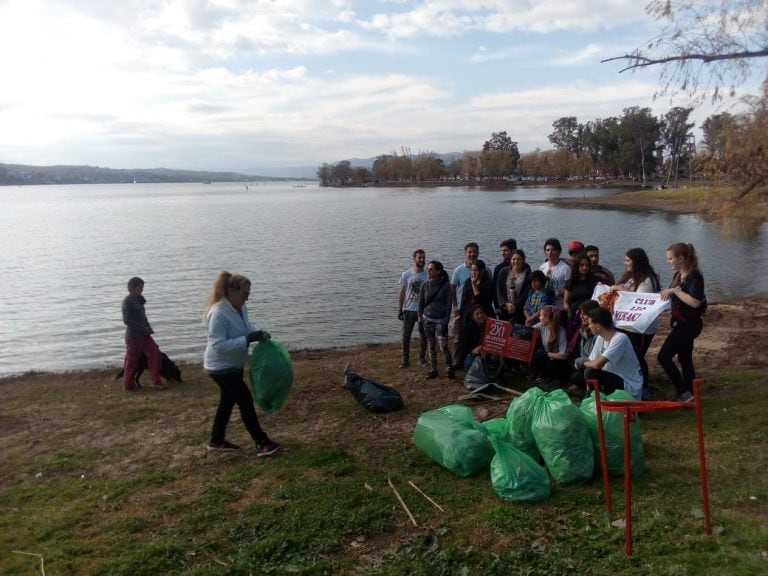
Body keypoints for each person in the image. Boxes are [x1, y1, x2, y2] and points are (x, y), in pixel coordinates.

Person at [203, 271, 280, 455]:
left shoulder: (240, 307)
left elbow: (246, 326)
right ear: (231, 291)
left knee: (227, 402)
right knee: (245, 401)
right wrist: (247, 340)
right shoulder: (219, 313)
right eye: (244, 294)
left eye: (249, 294)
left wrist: (257, 333)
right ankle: (261, 442)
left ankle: (216, 440)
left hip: (234, 365)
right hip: (220, 368)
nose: (247, 299)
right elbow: (218, 345)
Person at [658, 243, 707, 403]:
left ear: (681, 258)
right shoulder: (678, 275)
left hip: (690, 325)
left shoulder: (694, 277)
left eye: (670, 258)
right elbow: (673, 297)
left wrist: (676, 291)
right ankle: (692, 392)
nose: (668, 262)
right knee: (684, 358)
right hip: (680, 323)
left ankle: (683, 392)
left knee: (663, 356)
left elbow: (695, 302)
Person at [611, 247, 662, 399]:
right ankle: (631, 383)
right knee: (631, 356)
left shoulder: (647, 280)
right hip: (627, 325)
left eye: (628, 261)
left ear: (636, 262)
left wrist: (620, 290)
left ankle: (644, 388)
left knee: (638, 357)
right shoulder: (631, 277)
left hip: (642, 328)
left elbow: (639, 301)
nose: (625, 263)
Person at [572, 307, 643, 400]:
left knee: (590, 372)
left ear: (598, 326)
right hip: (612, 376)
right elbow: (592, 361)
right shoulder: (600, 337)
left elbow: (597, 364)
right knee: (577, 376)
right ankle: (593, 397)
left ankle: (597, 400)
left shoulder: (620, 338)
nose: (589, 326)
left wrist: (582, 363)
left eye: (590, 324)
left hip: (628, 384)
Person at [121, 276, 167, 392]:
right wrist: (143, 329)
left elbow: (143, 316)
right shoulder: (127, 302)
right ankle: (128, 385)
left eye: (142, 287)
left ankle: (156, 381)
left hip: (145, 335)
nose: (142, 290)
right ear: (132, 288)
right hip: (134, 336)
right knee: (132, 360)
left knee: (155, 354)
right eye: (140, 287)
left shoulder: (139, 299)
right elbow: (127, 320)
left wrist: (148, 327)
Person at [419, 260, 454, 380]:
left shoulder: (445, 285)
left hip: (440, 320)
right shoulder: (425, 285)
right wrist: (420, 317)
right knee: (431, 345)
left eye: (431, 269)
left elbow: (449, 304)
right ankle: (434, 369)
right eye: (428, 269)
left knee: (443, 345)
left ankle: (449, 368)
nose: (428, 271)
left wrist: (445, 320)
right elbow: (421, 303)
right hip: (427, 319)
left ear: (438, 271)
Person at [450, 242, 482, 369]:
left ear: (478, 253)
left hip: (479, 310)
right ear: (465, 253)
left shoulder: (483, 269)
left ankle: (477, 357)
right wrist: (455, 308)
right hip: (463, 309)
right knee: (458, 334)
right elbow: (452, 289)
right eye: (470, 252)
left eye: (474, 252)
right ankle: (458, 360)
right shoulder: (459, 270)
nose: (472, 254)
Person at [398, 249, 428, 368]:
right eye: (419, 257)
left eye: (423, 258)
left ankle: (422, 358)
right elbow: (401, 293)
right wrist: (400, 309)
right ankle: (405, 360)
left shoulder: (427, 274)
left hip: (423, 310)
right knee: (406, 336)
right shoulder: (406, 274)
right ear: (414, 258)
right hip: (409, 309)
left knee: (423, 335)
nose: (422, 260)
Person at [530, 305, 571, 385]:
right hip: (548, 356)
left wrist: (546, 354)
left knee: (551, 363)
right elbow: (528, 331)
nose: (539, 317)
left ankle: (553, 377)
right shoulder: (541, 325)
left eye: (541, 315)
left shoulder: (561, 331)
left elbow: (564, 355)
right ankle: (542, 375)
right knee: (534, 357)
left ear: (547, 319)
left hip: (558, 360)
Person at [496, 249, 531, 325]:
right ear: (510, 260)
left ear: (523, 260)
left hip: (520, 310)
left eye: (519, 259)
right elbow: (499, 290)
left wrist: (515, 306)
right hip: (506, 309)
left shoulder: (527, 274)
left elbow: (527, 292)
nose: (516, 261)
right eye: (513, 259)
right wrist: (505, 304)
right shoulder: (503, 272)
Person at [563, 253, 598, 317]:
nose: (585, 268)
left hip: (589, 315)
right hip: (573, 315)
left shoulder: (594, 281)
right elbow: (565, 302)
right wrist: (568, 312)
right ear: (577, 266)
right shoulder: (571, 282)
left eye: (587, 265)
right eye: (582, 265)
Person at [539, 238, 571, 307]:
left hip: (559, 305)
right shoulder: (542, 267)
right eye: (547, 250)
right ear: (545, 252)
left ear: (559, 251)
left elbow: (570, 288)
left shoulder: (565, 268)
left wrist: (556, 294)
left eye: (553, 250)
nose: (550, 253)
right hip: (543, 304)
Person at [459, 304, 488, 370]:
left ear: (485, 314)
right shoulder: (467, 329)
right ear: (472, 317)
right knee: (469, 363)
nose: (480, 316)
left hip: (489, 354)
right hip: (474, 354)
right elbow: (464, 347)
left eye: (481, 313)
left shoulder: (491, 326)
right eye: (477, 314)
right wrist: (473, 350)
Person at [492, 238, 517, 311]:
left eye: (505, 251)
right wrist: (497, 307)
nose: (502, 253)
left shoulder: (524, 266)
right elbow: (495, 289)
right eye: (501, 251)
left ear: (513, 251)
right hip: (503, 306)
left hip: (519, 307)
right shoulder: (499, 268)